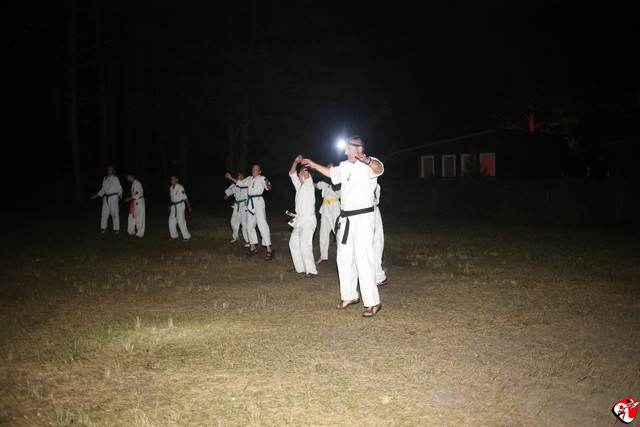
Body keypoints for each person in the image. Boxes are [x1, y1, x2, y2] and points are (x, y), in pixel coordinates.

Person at [302, 135, 384, 317]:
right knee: (343, 258)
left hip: (363, 218)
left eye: (348, 148)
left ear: (359, 149)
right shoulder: (344, 166)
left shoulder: (370, 164)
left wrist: (367, 160)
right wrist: (313, 164)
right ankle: (349, 296)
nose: (345, 151)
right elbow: (331, 173)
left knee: (363, 259)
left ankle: (372, 302)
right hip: (346, 219)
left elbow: (379, 169)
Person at [225, 164, 274, 260]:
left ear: (259, 171)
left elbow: (268, 187)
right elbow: (240, 183)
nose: (253, 170)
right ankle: (253, 248)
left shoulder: (262, 178)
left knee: (261, 225)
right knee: (249, 226)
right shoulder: (249, 179)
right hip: (250, 203)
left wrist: (268, 184)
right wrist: (231, 178)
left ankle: (269, 250)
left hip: (258, 202)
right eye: (253, 168)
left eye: (256, 169)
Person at [287, 155, 318, 278]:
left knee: (305, 244)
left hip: (308, 220)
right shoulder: (299, 186)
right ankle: (300, 268)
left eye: (301, 172)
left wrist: (302, 162)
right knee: (293, 243)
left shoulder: (308, 184)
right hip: (299, 219)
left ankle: (312, 271)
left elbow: (305, 171)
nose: (299, 174)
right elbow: (291, 173)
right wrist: (295, 162)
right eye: (299, 172)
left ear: (307, 175)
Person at [314, 163, 341, 264]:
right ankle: (323, 255)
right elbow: (316, 185)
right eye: (327, 167)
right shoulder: (324, 182)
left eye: (331, 167)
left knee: (338, 232)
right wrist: (306, 181)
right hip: (325, 207)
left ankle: (342, 254)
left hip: (335, 207)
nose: (329, 169)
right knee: (323, 233)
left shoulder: (338, 181)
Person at [91, 165, 123, 234]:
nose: (109, 170)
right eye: (108, 169)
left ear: (113, 170)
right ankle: (104, 228)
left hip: (113, 197)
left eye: (111, 169)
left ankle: (116, 229)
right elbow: (103, 189)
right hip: (105, 197)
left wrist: (119, 196)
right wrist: (96, 195)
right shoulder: (105, 178)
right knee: (104, 213)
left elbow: (119, 188)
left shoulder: (115, 178)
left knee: (114, 213)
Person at [223, 170, 249, 246]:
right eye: (238, 175)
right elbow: (231, 190)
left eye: (241, 175)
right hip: (237, 205)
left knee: (244, 223)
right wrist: (227, 195)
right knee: (233, 221)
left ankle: (248, 241)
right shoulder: (235, 184)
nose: (239, 176)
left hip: (244, 204)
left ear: (243, 176)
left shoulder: (246, 183)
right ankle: (236, 236)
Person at [168, 175, 192, 241]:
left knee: (181, 221)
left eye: (173, 179)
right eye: (171, 179)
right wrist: (171, 206)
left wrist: (189, 207)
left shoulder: (180, 187)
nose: (172, 180)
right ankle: (174, 236)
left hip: (180, 206)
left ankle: (187, 236)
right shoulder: (171, 188)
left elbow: (185, 197)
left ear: (177, 180)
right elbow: (173, 198)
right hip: (174, 206)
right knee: (171, 221)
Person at [373, 183, 387, 286]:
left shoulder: (375, 185)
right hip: (361, 214)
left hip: (370, 212)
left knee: (376, 244)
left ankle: (378, 275)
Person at [124, 173, 145, 238]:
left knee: (139, 218)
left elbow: (137, 193)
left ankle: (139, 234)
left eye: (129, 177)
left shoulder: (137, 183)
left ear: (132, 176)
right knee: (131, 217)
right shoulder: (133, 184)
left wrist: (129, 198)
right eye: (127, 178)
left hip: (139, 202)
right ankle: (131, 232)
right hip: (134, 202)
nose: (128, 179)